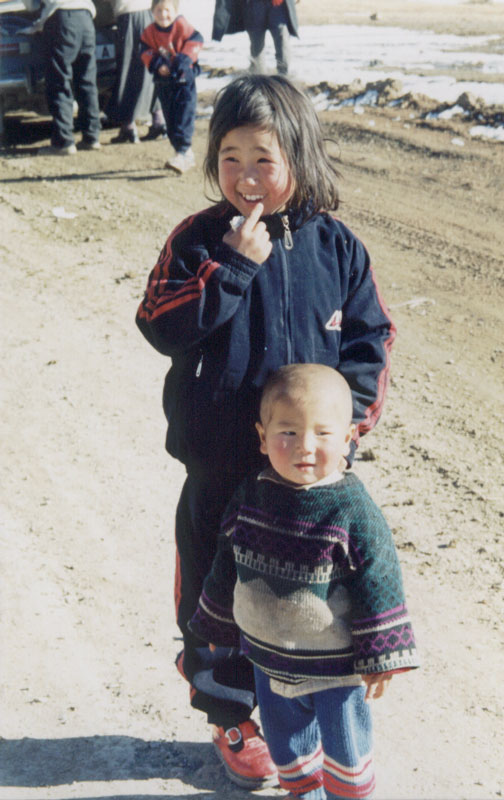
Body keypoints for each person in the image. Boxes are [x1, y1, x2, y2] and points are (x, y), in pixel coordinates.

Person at [135, 74, 396, 789]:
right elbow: (160, 323)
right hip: (222, 465)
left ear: (299, 159)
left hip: (311, 475)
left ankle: (307, 702)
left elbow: (370, 340)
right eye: (230, 158)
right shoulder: (199, 240)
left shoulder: (336, 246)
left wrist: (351, 423)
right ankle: (231, 713)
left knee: (312, 595)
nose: (246, 177)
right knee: (216, 602)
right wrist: (230, 272)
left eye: (264, 159)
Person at [189, 364, 420, 800]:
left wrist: (384, 652)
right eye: (288, 432)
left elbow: (380, 577)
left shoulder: (352, 510)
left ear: (350, 437)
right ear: (261, 436)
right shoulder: (251, 495)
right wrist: (216, 622)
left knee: (346, 756)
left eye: (323, 433)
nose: (305, 448)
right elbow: (227, 561)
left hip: (336, 668)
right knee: (288, 750)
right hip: (268, 661)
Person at [24, 0, 101, 154]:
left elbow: (31, 5)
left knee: (59, 81)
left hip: (61, 17)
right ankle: (91, 137)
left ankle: (63, 141)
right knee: (87, 81)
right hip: (86, 17)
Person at [140, 0, 203, 173]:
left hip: (183, 82)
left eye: (167, 10)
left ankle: (184, 152)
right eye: (158, 10)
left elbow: (196, 41)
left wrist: (183, 59)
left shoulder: (182, 26)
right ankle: (181, 152)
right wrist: (157, 63)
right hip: (164, 83)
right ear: (152, 12)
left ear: (175, 11)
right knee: (171, 119)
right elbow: (145, 50)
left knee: (184, 115)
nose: (163, 15)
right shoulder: (149, 32)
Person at [106, 0, 167, 144]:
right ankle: (159, 120)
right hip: (148, 12)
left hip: (129, 15)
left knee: (128, 70)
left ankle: (128, 125)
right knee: (149, 67)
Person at [212, 0, 299, 76]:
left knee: (282, 40)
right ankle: (259, 80)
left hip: (277, 6)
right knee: (256, 45)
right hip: (254, 6)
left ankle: (283, 78)